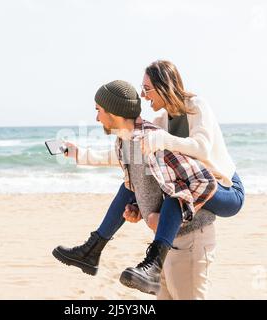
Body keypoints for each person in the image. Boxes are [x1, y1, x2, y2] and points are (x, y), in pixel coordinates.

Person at [57, 60, 245, 299]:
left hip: (224, 188)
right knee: (131, 184)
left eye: (147, 89)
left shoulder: (196, 106)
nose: (145, 97)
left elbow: (202, 148)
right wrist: (82, 155)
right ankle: (94, 248)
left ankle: (148, 260)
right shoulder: (160, 122)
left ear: (164, 85)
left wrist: (162, 140)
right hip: (191, 186)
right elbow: (130, 157)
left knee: (175, 193)